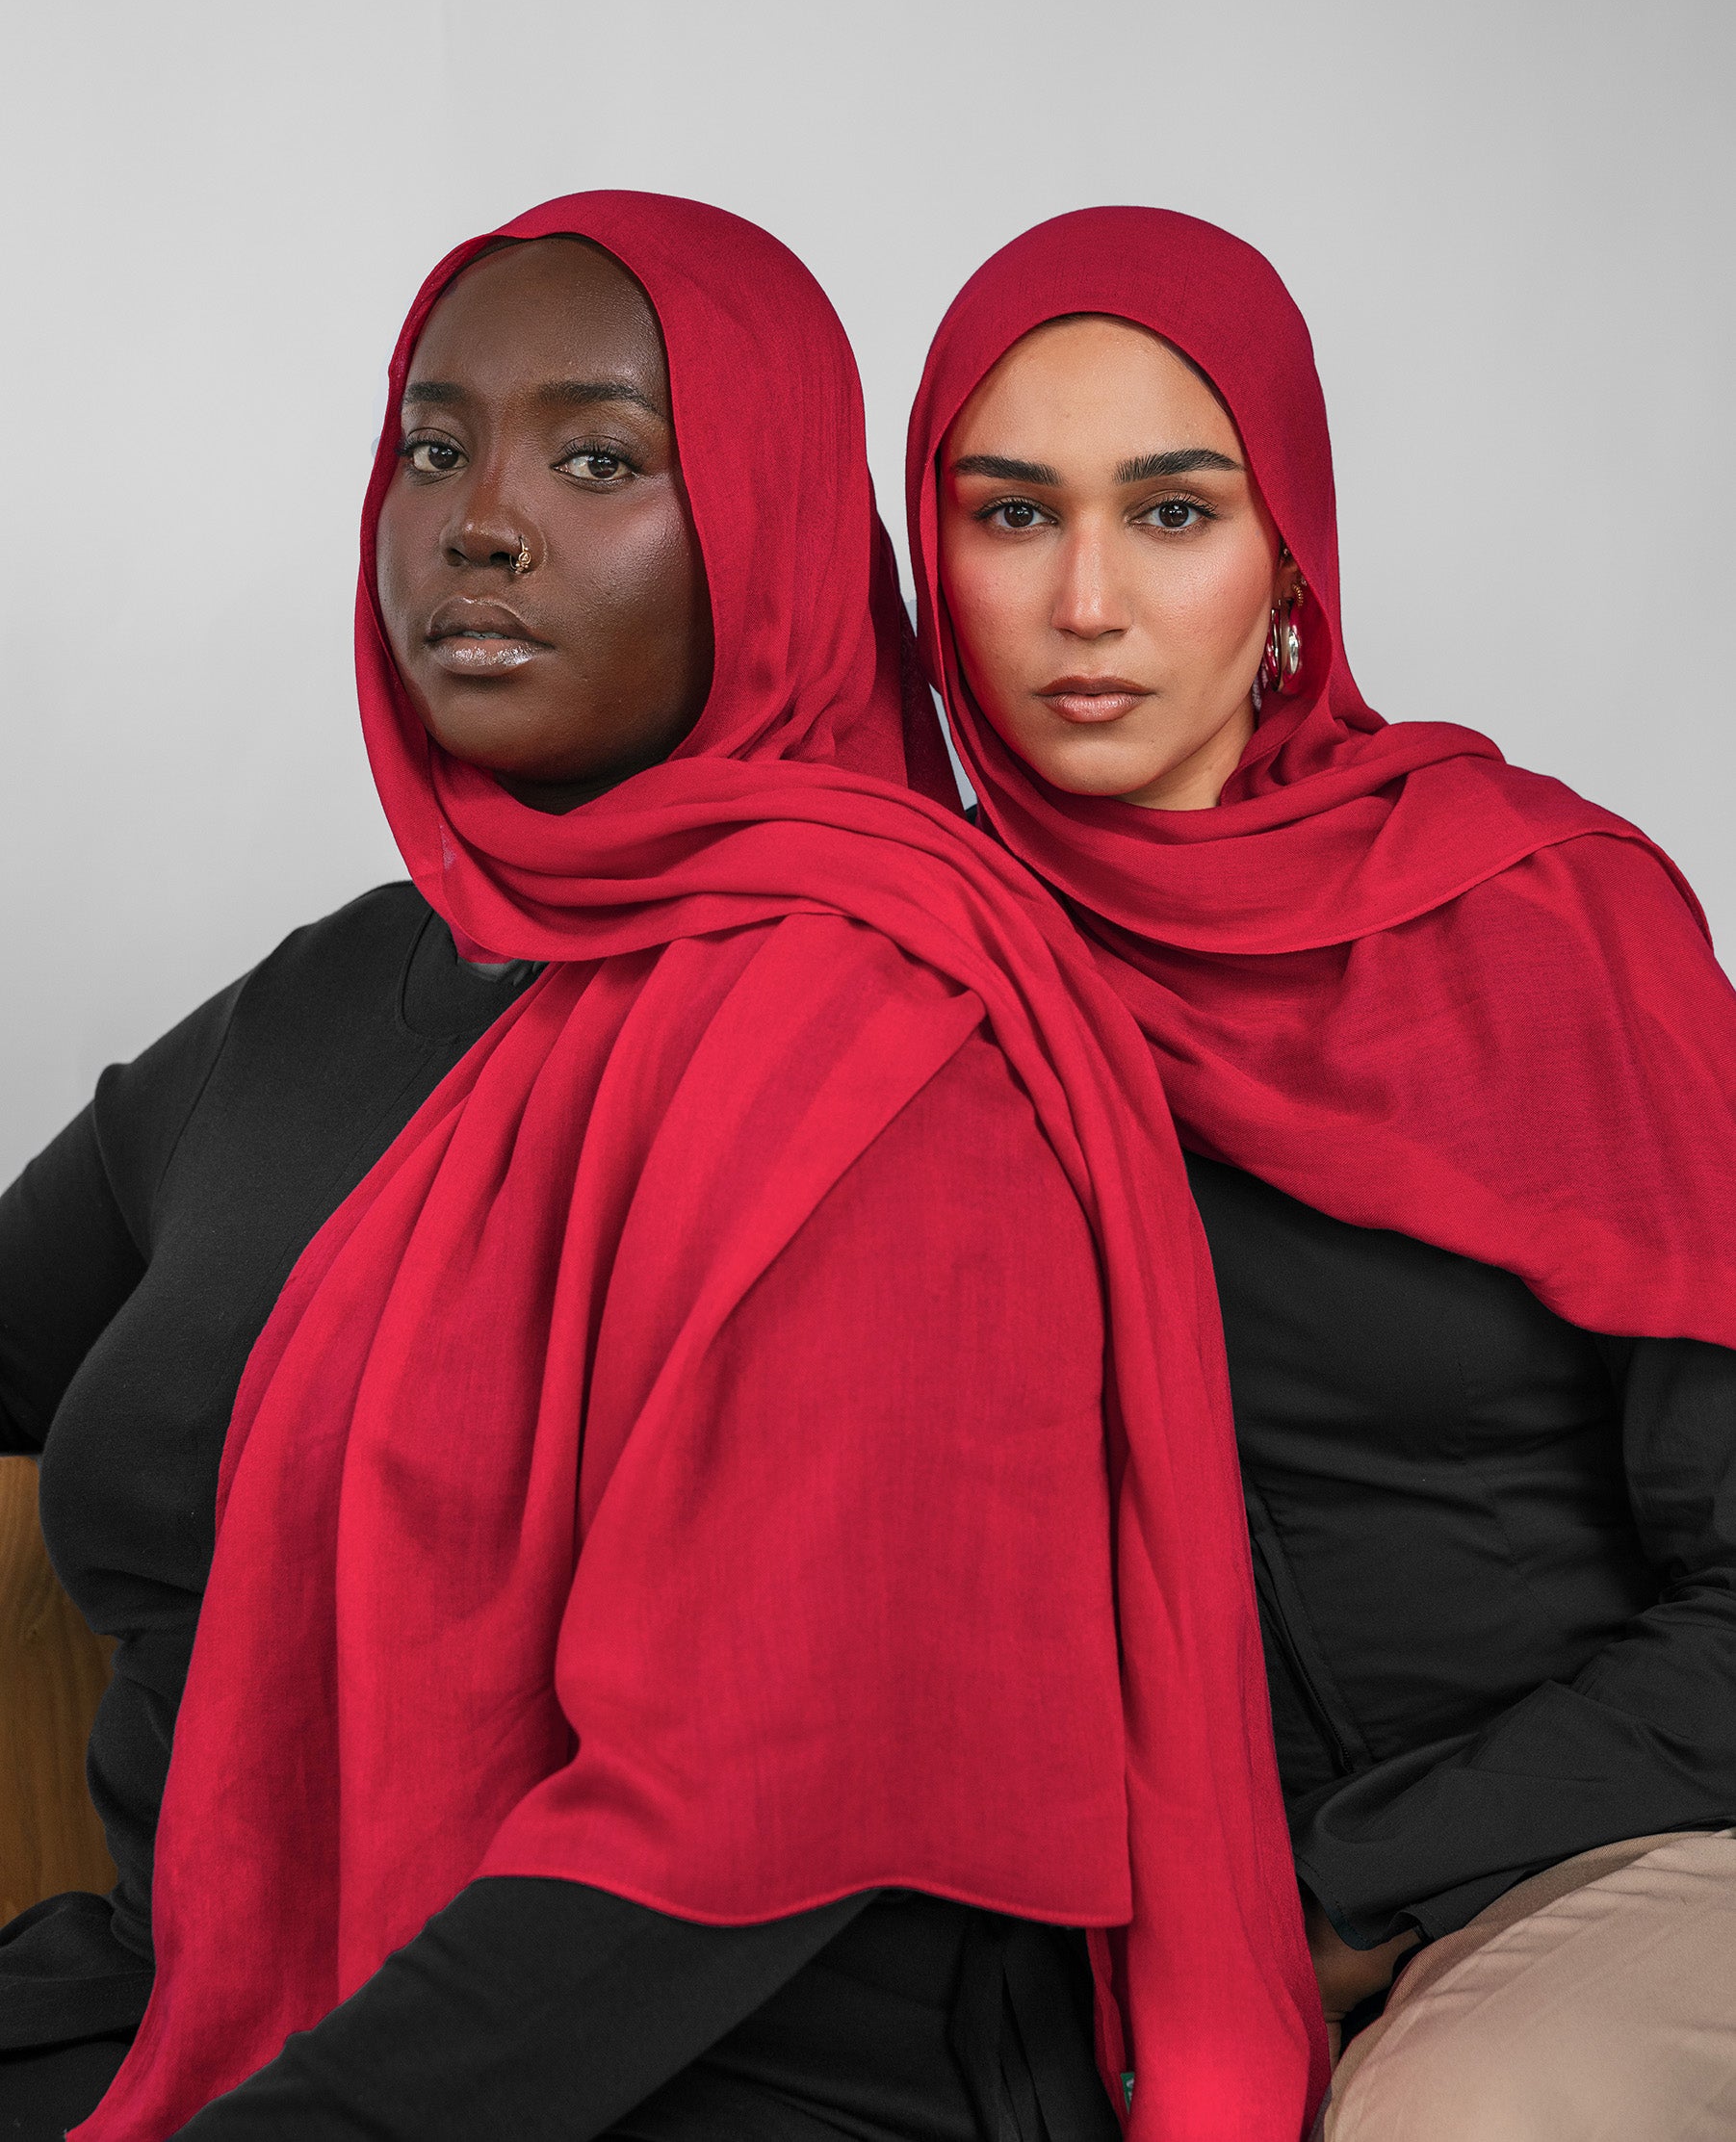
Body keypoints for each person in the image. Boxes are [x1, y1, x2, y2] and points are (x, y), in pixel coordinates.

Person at [0, 194, 1325, 2142]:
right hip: (196, 1999)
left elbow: (734, 1827)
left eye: (600, 458)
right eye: (432, 448)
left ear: (769, 532)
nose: (479, 523)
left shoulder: (898, 1044)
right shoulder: (327, 997)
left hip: (730, 2081)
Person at [905, 205, 1736, 2139]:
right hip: (1115, 1934)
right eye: (1012, 513)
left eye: (1171, 511)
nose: (1086, 600)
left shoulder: (1545, 916)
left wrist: (1334, 1892)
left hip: (1623, 1843)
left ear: (1287, 551)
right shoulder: (909, 971)